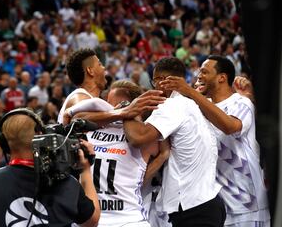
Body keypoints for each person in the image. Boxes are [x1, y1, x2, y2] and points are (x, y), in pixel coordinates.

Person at [160, 55, 270, 226]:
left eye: (204, 71)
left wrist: (189, 92)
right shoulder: (197, 107)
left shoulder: (241, 102)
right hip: (216, 202)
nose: (199, 75)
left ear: (222, 78)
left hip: (247, 203)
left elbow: (230, 126)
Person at [123, 57, 225, 227]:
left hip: (193, 209)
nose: (154, 86)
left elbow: (138, 137)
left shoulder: (172, 106)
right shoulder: (193, 104)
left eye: (155, 80)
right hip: (207, 202)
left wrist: (126, 110)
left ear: (163, 81)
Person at [0, 108, 100, 227]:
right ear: (41, 137)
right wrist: (85, 170)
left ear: (4, 144)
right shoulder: (67, 182)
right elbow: (91, 221)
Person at [65, 80, 169, 227]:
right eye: (108, 104)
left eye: (114, 104)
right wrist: (122, 113)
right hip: (92, 218)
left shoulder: (143, 135)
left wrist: (126, 112)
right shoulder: (92, 128)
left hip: (127, 219)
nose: (109, 108)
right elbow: (76, 119)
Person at [57, 48, 107, 123]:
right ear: (90, 71)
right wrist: (122, 113)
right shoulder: (79, 95)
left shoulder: (92, 99)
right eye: (99, 64)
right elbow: (79, 115)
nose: (104, 68)